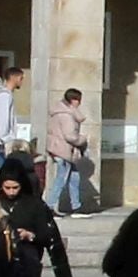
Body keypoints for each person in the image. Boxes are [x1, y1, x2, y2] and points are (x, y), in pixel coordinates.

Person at [44, 88, 91, 217]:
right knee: (62, 178)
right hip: (63, 150)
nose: (80, 103)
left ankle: (76, 206)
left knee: (74, 178)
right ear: (73, 100)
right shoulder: (66, 115)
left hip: (63, 150)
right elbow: (70, 136)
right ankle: (49, 206)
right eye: (78, 100)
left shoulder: (63, 112)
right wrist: (83, 139)